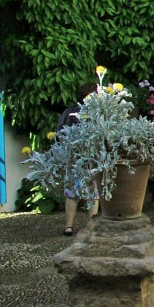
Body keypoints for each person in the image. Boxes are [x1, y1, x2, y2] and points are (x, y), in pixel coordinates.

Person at [57, 82, 99, 236]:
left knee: (72, 192)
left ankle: (69, 226)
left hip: (73, 158)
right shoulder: (96, 112)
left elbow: (60, 134)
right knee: (93, 192)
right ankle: (92, 226)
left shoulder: (69, 112)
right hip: (91, 158)